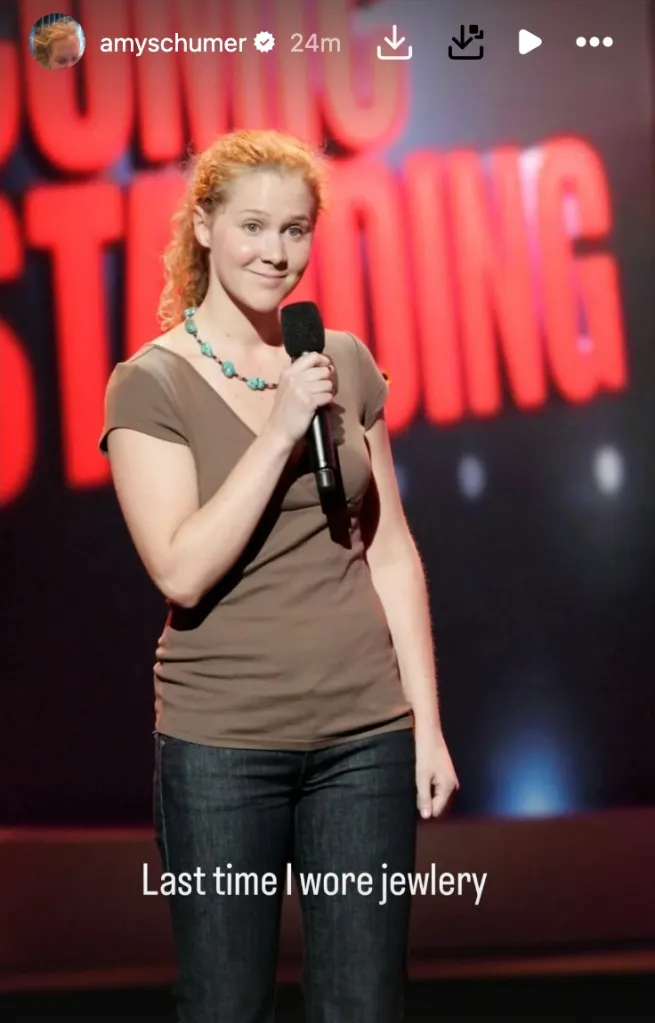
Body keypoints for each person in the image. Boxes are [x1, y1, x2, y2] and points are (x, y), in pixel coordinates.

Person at [99, 129, 459, 1023]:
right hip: (224, 746)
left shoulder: (341, 360)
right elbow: (181, 570)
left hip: (363, 736)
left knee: (363, 1003)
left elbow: (389, 549)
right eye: (254, 225)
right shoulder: (149, 385)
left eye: (295, 230)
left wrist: (425, 726)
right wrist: (278, 428)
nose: (275, 251)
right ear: (205, 227)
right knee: (225, 1004)